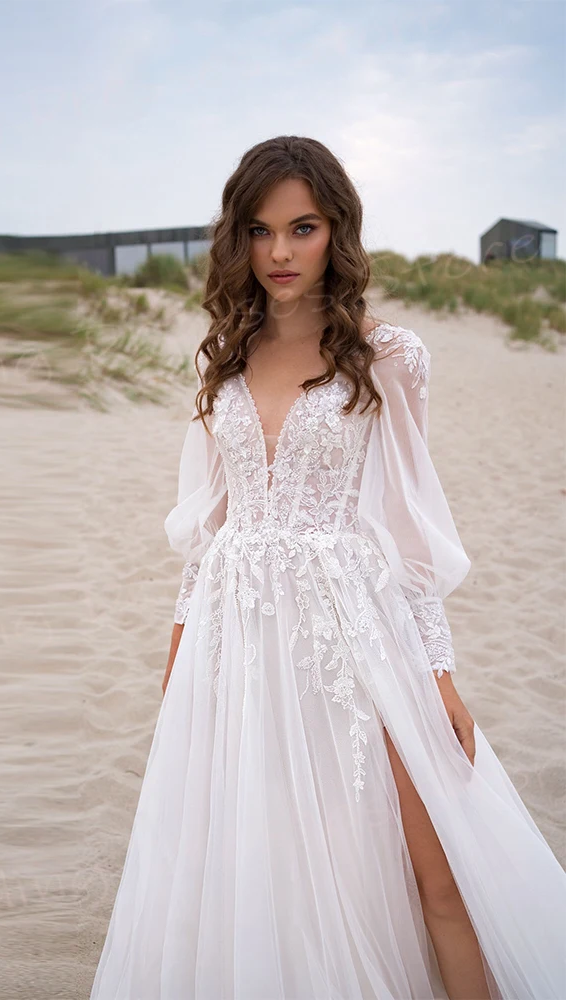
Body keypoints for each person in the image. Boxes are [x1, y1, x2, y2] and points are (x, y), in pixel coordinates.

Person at [88, 136, 566, 1000]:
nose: (279, 253)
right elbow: (211, 532)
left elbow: (408, 531)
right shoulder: (221, 358)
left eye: (302, 228)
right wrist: (180, 653)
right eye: (261, 230)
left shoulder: (392, 357)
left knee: (440, 874)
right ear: (238, 238)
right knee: (269, 880)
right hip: (237, 647)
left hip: (358, 634)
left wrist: (441, 674)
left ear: (336, 230)